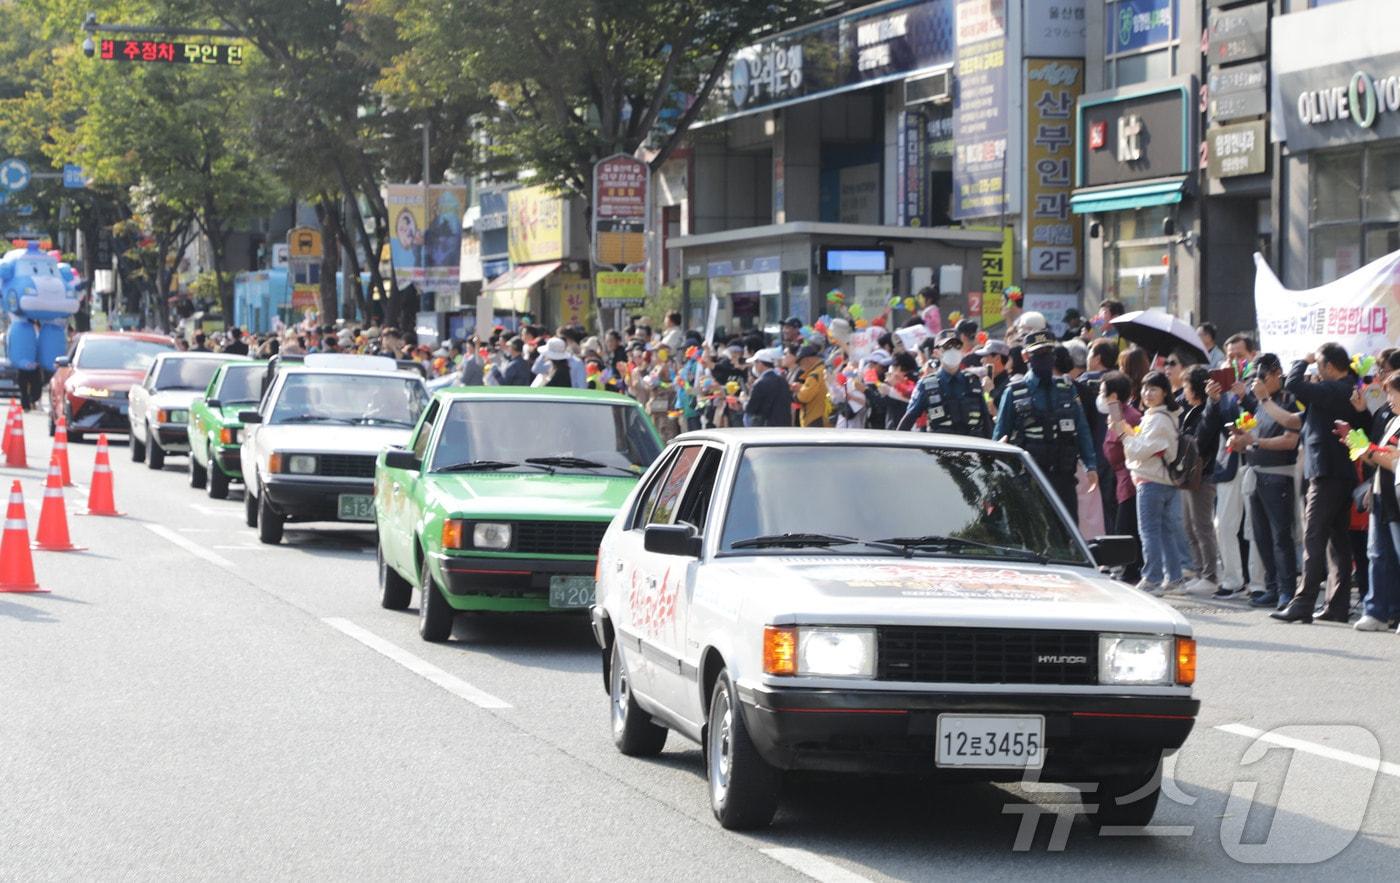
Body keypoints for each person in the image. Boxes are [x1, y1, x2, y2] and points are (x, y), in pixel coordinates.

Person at [1275, 344, 1369, 623]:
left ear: (1329, 366)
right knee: (1336, 540)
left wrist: (1301, 361)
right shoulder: (1346, 389)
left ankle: (1303, 602)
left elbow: (1293, 384)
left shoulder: (1336, 388)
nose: (1317, 370)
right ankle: (1336, 605)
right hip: (1337, 472)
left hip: (1327, 473)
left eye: (1319, 365)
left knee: (1314, 535)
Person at [993, 330, 1099, 519]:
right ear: (1026, 356)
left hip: (1063, 477)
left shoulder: (1067, 389)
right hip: (1030, 478)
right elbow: (1000, 434)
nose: (1045, 359)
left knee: (1067, 532)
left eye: (1048, 353)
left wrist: (1090, 465)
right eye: (1038, 354)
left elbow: (1082, 429)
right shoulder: (1014, 392)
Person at [1229, 354, 1301, 610]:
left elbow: (1290, 440)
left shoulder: (1289, 399)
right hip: (1256, 472)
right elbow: (1254, 434)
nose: (1258, 381)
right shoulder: (1260, 403)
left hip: (1279, 474)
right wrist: (1240, 440)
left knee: (1281, 535)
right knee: (1261, 536)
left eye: (1263, 376)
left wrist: (1255, 442)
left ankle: (1286, 590)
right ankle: (1272, 587)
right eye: (1255, 376)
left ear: (1277, 373)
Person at [1115, 371, 1184, 595]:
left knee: (1150, 532)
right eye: (1145, 388)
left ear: (1165, 392)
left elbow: (1139, 451)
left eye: (1153, 388)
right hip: (1161, 481)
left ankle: (1152, 578)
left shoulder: (1157, 420)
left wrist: (1124, 436)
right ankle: (1174, 578)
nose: (1147, 393)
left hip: (1152, 482)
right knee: (1163, 532)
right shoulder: (1158, 416)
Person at [1356, 373, 1400, 631]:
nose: (1389, 399)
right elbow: (1381, 458)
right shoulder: (1392, 421)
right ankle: (1375, 612)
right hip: (1381, 493)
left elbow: (1396, 462)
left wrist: (1371, 451)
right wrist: (1363, 449)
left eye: (1393, 393)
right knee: (1377, 553)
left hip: (1396, 496)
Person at [1180, 366, 1224, 595]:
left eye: (1186, 386)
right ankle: (1200, 572)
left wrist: (1210, 402)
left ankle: (1210, 575)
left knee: (1202, 526)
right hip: (1191, 475)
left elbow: (1204, 437)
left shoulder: (1209, 409)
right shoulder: (1192, 409)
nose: (1183, 391)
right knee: (1189, 526)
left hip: (1203, 475)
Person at [898, 331, 991, 436]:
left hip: (972, 448)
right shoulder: (926, 385)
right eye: (947, 347)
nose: (953, 351)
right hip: (941, 448)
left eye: (957, 347)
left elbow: (986, 422)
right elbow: (908, 420)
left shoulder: (972, 382)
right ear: (936, 352)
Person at [1099, 371, 1144, 583]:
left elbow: (1134, 444)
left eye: (1103, 392)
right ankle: (1125, 567)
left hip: (1129, 476)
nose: (1101, 397)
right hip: (1117, 476)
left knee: (1127, 526)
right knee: (1120, 523)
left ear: (1114, 395)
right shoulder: (1115, 415)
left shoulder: (1132, 417)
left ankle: (1132, 569)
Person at [744, 347, 791, 428]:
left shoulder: (760, 383)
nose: (754, 366)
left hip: (766, 428)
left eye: (755, 363)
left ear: (760, 363)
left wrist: (743, 401)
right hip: (784, 426)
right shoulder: (783, 380)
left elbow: (751, 409)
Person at [791, 344, 829, 428]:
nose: (801, 368)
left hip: (815, 419)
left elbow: (804, 397)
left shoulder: (814, 375)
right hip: (824, 417)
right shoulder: (824, 369)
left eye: (800, 364)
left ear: (807, 360)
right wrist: (802, 387)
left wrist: (797, 391)